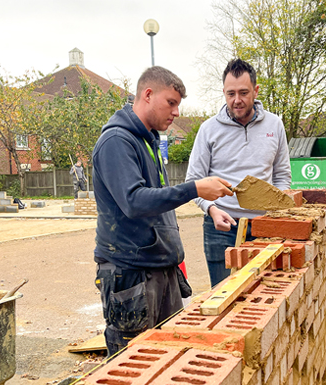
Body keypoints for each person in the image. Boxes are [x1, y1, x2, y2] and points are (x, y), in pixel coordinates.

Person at [93, 66, 233, 356]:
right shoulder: (117, 141)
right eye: (171, 103)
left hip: (159, 266)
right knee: (133, 362)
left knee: (168, 355)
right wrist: (194, 188)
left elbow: (158, 203)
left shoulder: (149, 140)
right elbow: (134, 201)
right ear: (147, 94)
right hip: (131, 272)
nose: (176, 112)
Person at [185, 59, 291, 288]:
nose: (237, 100)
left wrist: (278, 213)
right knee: (224, 295)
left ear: (256, 90)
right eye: (230, 93)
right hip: (220, 228)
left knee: (265, 294)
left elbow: (282, 176)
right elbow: (193, 181)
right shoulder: (208, 129)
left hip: (265, 226)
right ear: (223, 92)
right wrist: (211, 209)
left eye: (243, 93)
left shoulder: (274, 125)